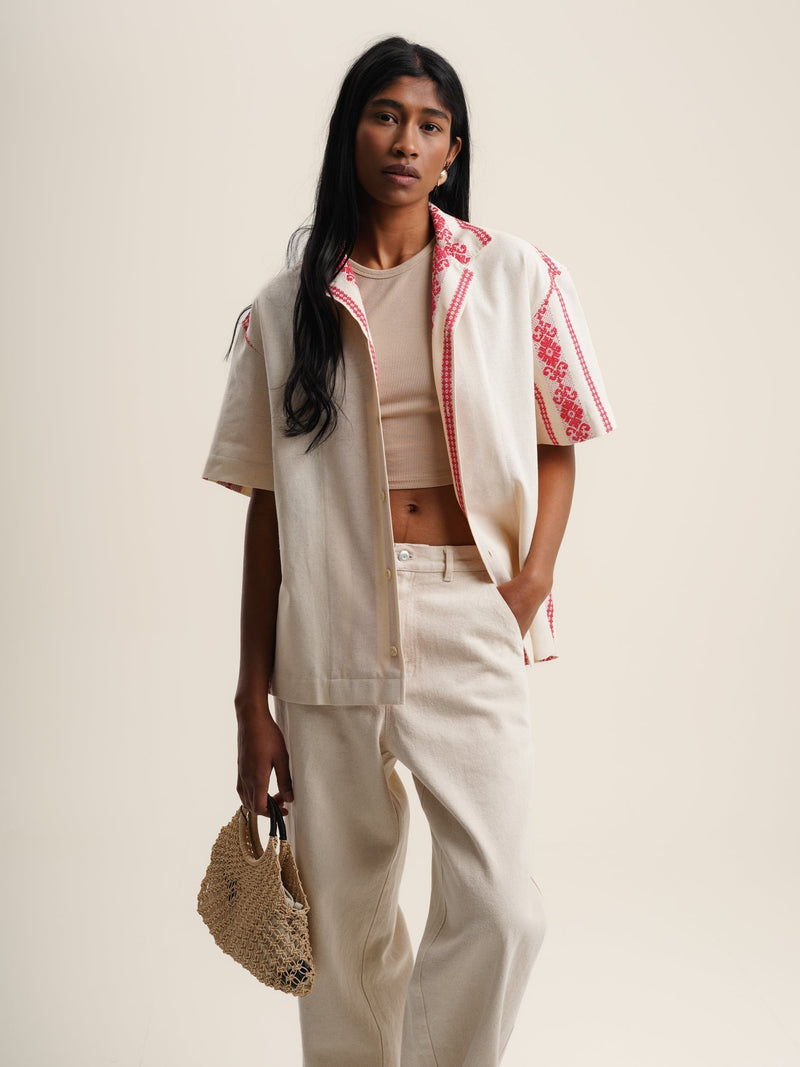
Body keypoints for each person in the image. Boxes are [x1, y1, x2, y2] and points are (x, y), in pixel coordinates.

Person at [202, 35, 616, 1067]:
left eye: (428, 124)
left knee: (500, 908)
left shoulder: (511, 276)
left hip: (467, 606)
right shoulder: (280, 307)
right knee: (345, 930)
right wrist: (250, 699)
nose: (405, 138)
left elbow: (559, 439)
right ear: (352, 131)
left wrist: (527, 582)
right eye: (385, 115)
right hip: (325, 625)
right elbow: (266, 511)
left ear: (450, 150)